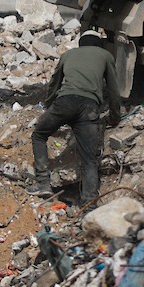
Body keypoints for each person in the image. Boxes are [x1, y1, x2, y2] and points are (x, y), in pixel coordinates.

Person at [31, 30, 122, 203]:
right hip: (89, 108)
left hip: (65, 103)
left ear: (81, 43)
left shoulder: (68, 55)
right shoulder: (105, 55)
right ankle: (89, 204)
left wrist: (49, 106)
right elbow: (114, 90)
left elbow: (54, 84)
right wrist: (115, 116)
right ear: (98, 44)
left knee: (39, 135)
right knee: (89, 159)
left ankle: (43, 183)